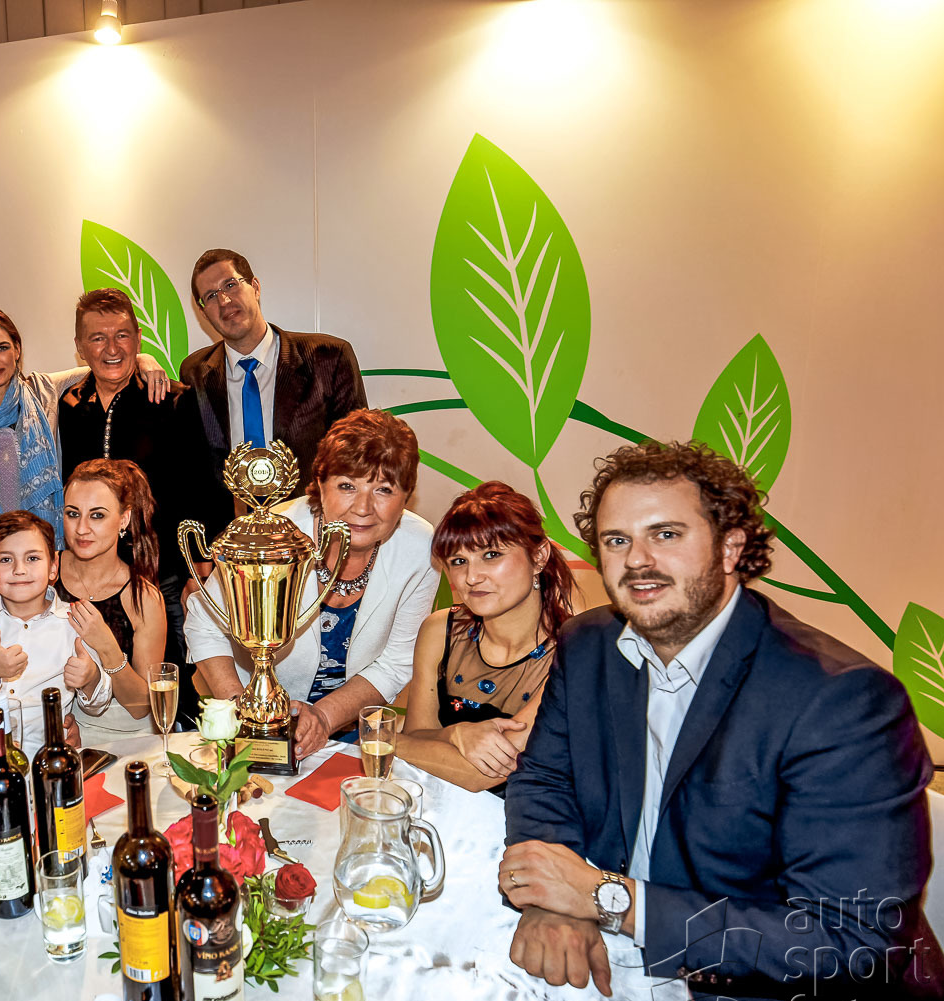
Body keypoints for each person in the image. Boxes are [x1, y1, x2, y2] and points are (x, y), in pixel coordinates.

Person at [500, 442, 944, 1001]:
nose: (639, 560)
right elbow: (545, 780)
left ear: (731, 547)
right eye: (617, 540)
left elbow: (848, 944)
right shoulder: (588, 643)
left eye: (667, 534)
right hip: (614, 969)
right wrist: (555, 900)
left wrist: (609, 901)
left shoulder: (842, 701)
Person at [185, 409, 441, 758]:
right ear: (320, 484)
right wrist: (240, 710)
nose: (363, 507)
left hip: (351, 724)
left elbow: (396, 662)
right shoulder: (272, 532)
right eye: (347, 486)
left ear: (406, 495)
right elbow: (204, 624)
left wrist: (323, 716)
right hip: (249, 720)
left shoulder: (421, 548)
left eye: (383, 489)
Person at [58, 288, 222, 724]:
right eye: (97, 338)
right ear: (79, 346)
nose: (111, 348)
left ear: (138, 339)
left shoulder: (171, 400)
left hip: (163, 570)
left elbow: (202, 484)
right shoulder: (69, 405)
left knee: (172, 687)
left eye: (122, 335)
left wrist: (200, 566)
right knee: (89, 675)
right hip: (95, 575)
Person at [0, 307, 166, 563]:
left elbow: (106, 366)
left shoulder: (45, 392)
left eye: (1, 348)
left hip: (48, 557)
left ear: (17, 349)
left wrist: (144, 359)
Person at [396, 482, 576, 794]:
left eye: (491, 555)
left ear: (539, 556)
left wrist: (383, 739)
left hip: (535, 816)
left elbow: (481, 773)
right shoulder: (440, 630)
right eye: (458, 561)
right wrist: (456, 734)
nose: (471, 577)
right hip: (443, 809)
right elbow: (417, 735)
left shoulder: (575, 650)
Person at [178, 248, 367, 519]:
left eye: (230, 285)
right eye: (211, 296)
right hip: (232, 537)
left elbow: (357, 457)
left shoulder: (328, 358)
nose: (224, 300)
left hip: (310, 529)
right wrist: (141, 361)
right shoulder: (194, 372)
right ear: (203, 312)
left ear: (255, 287)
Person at [0, 510, 107, 776]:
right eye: (6, 560)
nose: (19, 569)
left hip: (50, 764)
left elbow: (98, 704)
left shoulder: (74, 622)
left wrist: (90, 678)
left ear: (53, 566)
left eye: (32, 558)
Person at [55, 460, 165, 747]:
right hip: (56, 730)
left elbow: (142, 706)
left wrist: (107, 646)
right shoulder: (43, 572)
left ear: (124, 519)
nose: (82, 528)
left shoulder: (143, 597)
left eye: (97, 515)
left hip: (127, 738)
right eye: (72, 514)